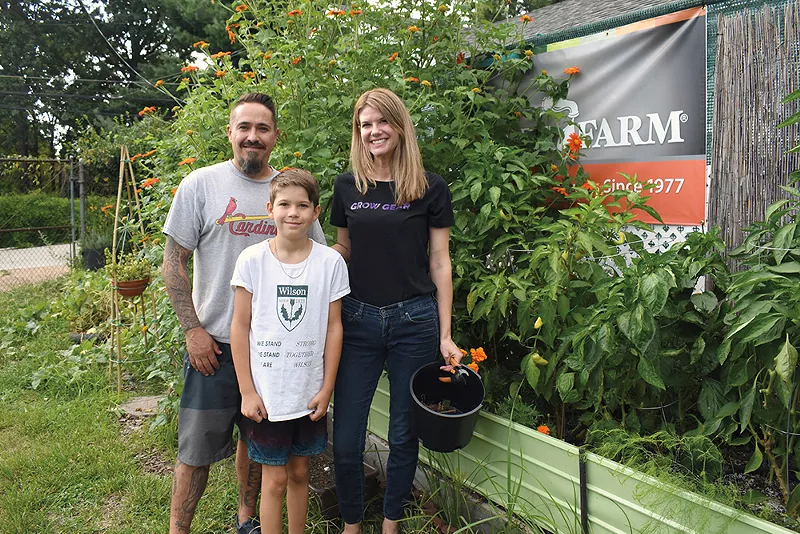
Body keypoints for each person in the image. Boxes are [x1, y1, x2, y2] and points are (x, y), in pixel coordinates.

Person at [162, 93, 326, 534]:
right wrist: (192, 330)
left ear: (275, 136)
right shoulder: (201, 186)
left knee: (260, 448)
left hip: (274, 353)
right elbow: (173, 264)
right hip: (214, 347)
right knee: (195, 451)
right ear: (230, 133)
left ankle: (247, 520)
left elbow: (320, 263)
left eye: (263, 129)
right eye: (244, 128)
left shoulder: (290, 193)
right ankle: (179, 529)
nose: (253, 137)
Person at [329, 87, 463, 534]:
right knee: (346, 438)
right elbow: (341, 249)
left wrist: (445, 334)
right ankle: (352, 524)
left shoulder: (429, 187)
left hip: (414, 322)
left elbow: (440, 261)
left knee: (405, 434)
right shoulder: (347, 186)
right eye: (365, 125)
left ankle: (390, 524)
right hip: (358, 320)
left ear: (400, 125)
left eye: (381, 122)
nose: (373, 132)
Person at [230, 168, 349, 534]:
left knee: (300, 473)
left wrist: (327, 388)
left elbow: (333, 328)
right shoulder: (252, 261)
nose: (293, 212)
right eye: (284, 204)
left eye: (302, 205)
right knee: (274, 479)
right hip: (268, 395)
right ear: (270, 209)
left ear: (316, 212)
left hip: (307, 392)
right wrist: (247, 391)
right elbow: (240, 326)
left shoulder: (330, 262)